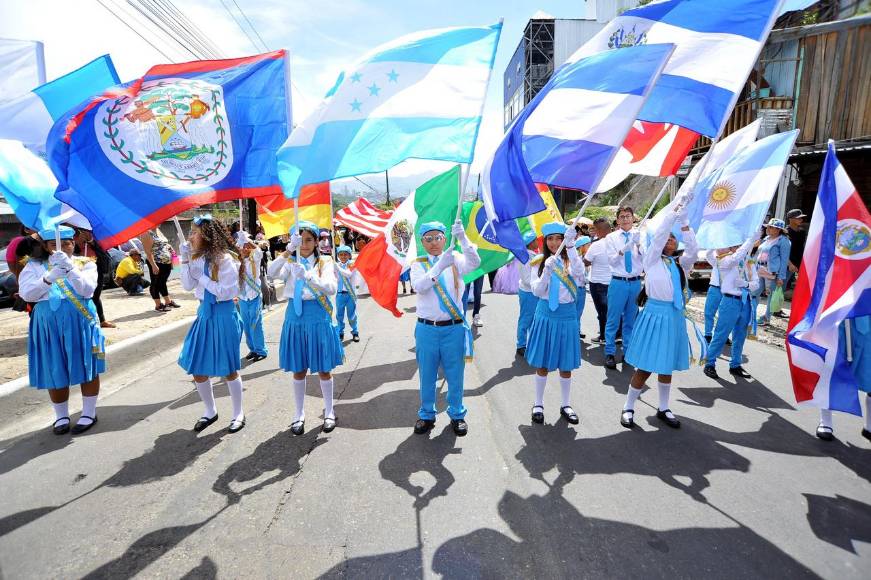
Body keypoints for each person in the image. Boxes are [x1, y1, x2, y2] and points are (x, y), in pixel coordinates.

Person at [18, 226, 106, 435]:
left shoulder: (85, 264)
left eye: (67, 243)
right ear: (46, 247)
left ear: (73, 243)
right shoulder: (33, 267)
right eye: (55, 244)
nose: (63, 247)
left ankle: (89, 412)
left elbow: (87, 290)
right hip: (47, 323)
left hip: (80, 319)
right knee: (54, 366)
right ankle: (61, 415)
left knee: (88, 364)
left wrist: (70, 270)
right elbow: (27, 294)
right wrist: (50, 277)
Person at [620, 198, 697, 430]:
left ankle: (664, 407)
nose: (671, 240)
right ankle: (628, 406)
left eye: (674, 237)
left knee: (666, 365)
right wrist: (672, 215)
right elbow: (660, 235)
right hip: (654, 315)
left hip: (674, 317)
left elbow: (693, 248)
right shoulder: (651, 259)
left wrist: (684, 222)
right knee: (645, 366)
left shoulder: (680, 264)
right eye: (668, 237)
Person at [268, 221, 344, 436]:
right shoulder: (290, 260)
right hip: (295, 316)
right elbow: (272, 273)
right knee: (298, 368)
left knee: (323, 368)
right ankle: (299, 414)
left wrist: (308, 275)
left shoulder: (325, 261)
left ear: (317, 241)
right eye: (299, 240)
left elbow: (331, 288)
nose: (305, 244)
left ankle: (329, 411)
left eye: (309, 239)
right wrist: (288, 250)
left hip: (318, 314)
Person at [177, 215, 246, 434]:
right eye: (190, 232)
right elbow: (188, 286)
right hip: (204, 314)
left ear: (206, 235)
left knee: (229, 368)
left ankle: (238, 413)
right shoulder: (195, 258)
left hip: (223, 314)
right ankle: (210, 410)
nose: (191, 237)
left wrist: (203, 278)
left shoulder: (225, 259)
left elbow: (229, 292)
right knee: (197, 366)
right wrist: (185, 260)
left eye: (195, 232)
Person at [410, 220, 480, 436]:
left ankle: (457, 414)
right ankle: (426, 414)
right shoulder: (418, 263)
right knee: (427, 375)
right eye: (428, 239)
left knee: (455, 374)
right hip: (427, 329)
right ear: (422, 241)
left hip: (453, 329)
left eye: (438, 237)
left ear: (444, 239)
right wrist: (440, 264)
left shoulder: (455, 258)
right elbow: (419, 286)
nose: (433, 243)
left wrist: (462, 238)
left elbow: (475, 263)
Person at [526, 223, 585, 426]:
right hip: (545, 314)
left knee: (565, 363)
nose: (554, 243)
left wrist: (570, 247)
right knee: (542, 362)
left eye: (558, 238)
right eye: (550, 239)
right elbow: (536, 291)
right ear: (545, 242)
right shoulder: (538, 262)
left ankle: (566, 404)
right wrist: (547, 272)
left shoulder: (572, 261)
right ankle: (538, 403)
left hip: (567, 315)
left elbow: (581, 275)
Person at [702, 232, 761, 380]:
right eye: (735, 245)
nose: (737, 247)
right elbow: (736, 258)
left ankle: (735, 364)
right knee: (721, 334)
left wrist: (746, 284)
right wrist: (750, 240)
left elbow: (756, 284)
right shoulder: (725, 260)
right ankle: (710, 363)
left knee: (740, 335)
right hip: (730, 301)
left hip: (745, 301)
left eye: (739, 244)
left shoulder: (749, 262)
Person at [816, 316, 871, 442]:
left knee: (869, 372)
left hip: (868, 321)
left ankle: (869, 427)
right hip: (842, 320)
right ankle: (825, 421)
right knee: (832, 369)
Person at [604, 206, 644, 369]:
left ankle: (628, 352)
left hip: (635, 282)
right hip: (618, 282)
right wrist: (625, 248)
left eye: (628, 216)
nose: (626, 219)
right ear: (618, 220)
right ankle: (610, 352)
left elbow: (648, 258)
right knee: (613, 319)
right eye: (622, 216)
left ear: (633, 218)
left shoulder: (641, 235)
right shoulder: (611, 237)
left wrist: (639, 244)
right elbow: (612, 261)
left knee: (630, 320)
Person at [73, 228, 115, 328]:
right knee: (84, 296)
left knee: (96, 295)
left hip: (96, 269)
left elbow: (102, 251)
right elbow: (73, 252)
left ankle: (102, 320)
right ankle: (86, 320)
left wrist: (91, 241)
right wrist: (77, 242)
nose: (83, 234)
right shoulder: (71, 239)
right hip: (79, 270)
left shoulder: (94, 238)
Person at [236, 231, 268, 362]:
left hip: (254, 296)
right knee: (247, 325)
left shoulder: (254, 258)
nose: (245, 249)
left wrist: (248, 241)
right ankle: (253, 349)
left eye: (247, 246)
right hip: (242, 297)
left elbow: (259, 251)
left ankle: (261, 350)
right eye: (242, 246)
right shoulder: (236, 262)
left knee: (256, 324)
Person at [756, 218, 792, 325]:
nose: (768, 228)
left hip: (772, 273)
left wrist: (781, 277)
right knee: (755, 292)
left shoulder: (784, 241)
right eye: (768, 226)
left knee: (770, 295)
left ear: (778, 230)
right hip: (760, 269)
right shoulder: (766, 238)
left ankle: (767, 318)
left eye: (771, 227)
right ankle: (750, 313)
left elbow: (784, 259)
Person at [583, 217, 612, 344]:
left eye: (595, 229)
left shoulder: (596, 245)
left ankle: (604, 336)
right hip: (613, 282)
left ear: (599, 230)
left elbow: (586, 262)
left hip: (598, 283)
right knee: (612, 310)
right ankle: (614, 334)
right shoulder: (618, 242)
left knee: (602, 311)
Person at [516, 231, 541, 357]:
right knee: (526, 319)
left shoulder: (533, 254)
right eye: (536, 240)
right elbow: (526, 279)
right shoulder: (526, 257)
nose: (538, 242)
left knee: (533, 319)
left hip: (533, 292)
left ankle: (530, 343)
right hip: (528, 292)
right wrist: (541, 283)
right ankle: (521, 344)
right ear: (531, 243)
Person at [142, 227, 179, 312]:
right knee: (155, 283)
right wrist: (153, 265)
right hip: (156, 262)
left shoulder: (158, 230)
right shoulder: (146, 233)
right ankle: (158, 305)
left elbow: (166, 245)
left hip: (166, 262)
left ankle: (168, 302)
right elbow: (148, 251)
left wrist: (174, 258)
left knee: (162, 282)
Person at [334, 245, 360, 342]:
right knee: (339, 315)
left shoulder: (352, 264)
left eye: (345, 254)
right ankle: (340, 332)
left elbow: (348, 274)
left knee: (352, 315)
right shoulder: (337, 265)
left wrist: (337, 268)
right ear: (338, 256)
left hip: (350, 294)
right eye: (341, 254)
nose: (343, 256)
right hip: (340, 294)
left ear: (349, 255)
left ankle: (355, 332)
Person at [786, 208, 807, 290]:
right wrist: (789, 264)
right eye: (798, 218)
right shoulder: (785, 232)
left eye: (801, 218)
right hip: (788, 264)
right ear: (790, 219)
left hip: (800, 263)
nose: (801, 220)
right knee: (783, 287)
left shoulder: (802, 232)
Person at [575, 235, 591, 340]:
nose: (590, 246)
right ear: (582, 246)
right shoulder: (577, 259)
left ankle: (577, 330)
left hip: (581, 288)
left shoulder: (584, 258)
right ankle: (574, 331)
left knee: (579, 312)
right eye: (588, 245)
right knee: (575, 311)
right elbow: (581, 276)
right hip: (577, 288)